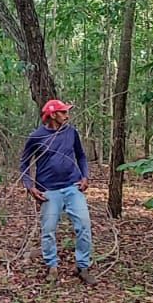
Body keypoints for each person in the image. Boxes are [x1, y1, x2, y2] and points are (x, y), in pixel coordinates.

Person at [19, 99, 93, 285]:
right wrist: (30, 186)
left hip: (72, 187)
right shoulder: (37, 136)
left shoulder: (71, 132)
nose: (67, 115)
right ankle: (52, 266)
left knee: (84, 225)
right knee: (49, 229)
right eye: (63, 112)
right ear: (52, 115)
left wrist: (85, 176)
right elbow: (24, 163)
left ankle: (82, 266)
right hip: (48, 191)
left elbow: (81, 155)